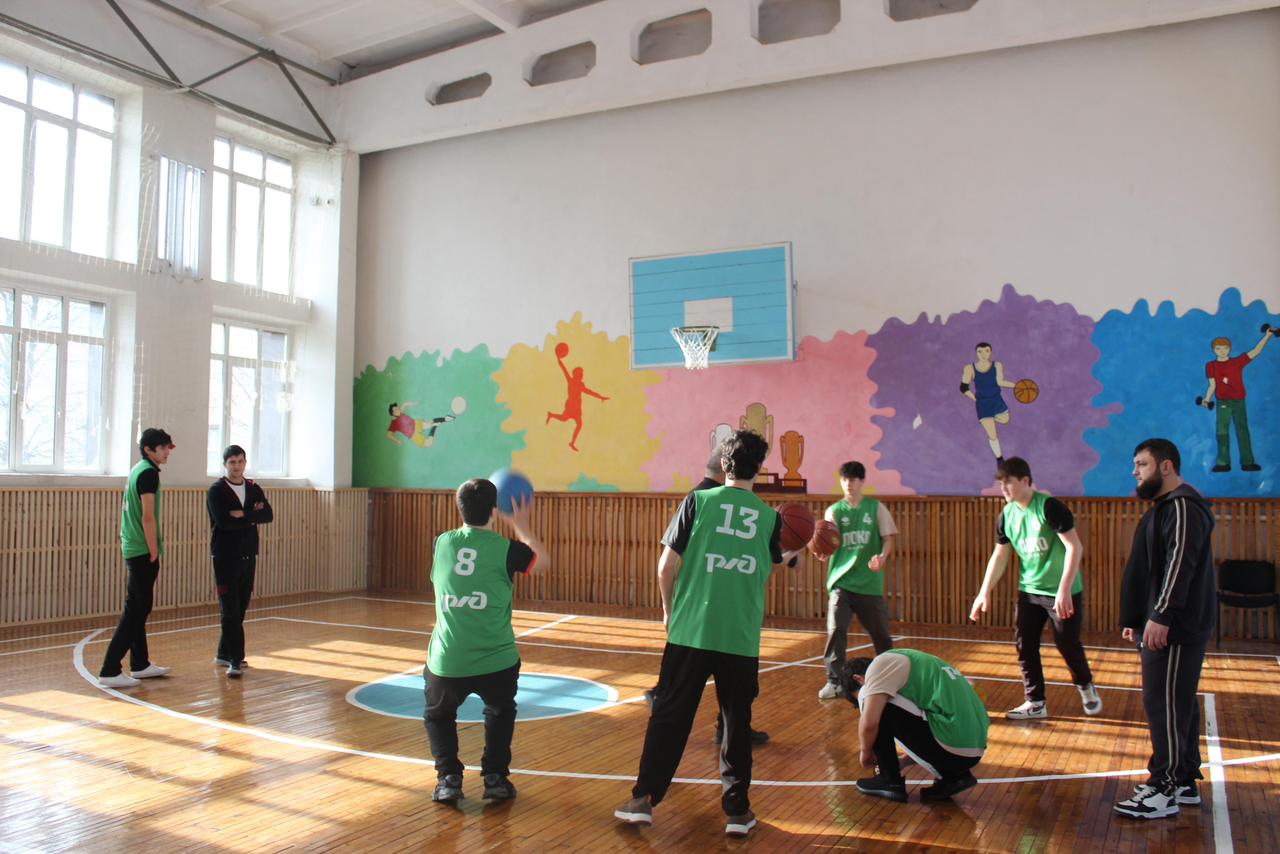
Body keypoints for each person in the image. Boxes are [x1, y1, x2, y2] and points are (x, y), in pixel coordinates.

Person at [615, 430, 799, 838]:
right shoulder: (770, 518)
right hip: (740, 636)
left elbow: (665, 567)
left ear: (725, 465)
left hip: (691, 630)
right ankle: (738, 813)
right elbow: (775, 561)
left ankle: (643, 800)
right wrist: (800, 548)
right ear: (760, 468)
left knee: (669, 717)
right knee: (736, 725)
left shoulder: (697, 501)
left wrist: (669, 609)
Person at [425, 478, 546, 804]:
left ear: (459, 508)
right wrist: (521, 524)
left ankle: (448, 778)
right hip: (497, 659)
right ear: (495, 510)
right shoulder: (509, 550)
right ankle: (495, 777)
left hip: (449, 660)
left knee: (438, 715)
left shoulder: (441, 543)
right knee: (500, 711)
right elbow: (541, 562)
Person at [1113, 438, 1215, 820]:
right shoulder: (1165, 507)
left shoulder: (1184, 506)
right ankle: (1184, 779)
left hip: (1176, 627)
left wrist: (1161, 616)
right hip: (1161, 622)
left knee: (1165, 703)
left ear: (1166, 466)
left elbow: (1179, 564)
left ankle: (1164, 787)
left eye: (1142, 464)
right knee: (1177, 702)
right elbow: (1150, 567)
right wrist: (1137, 617)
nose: (1135, 472)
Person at [642, 449, 771, 745]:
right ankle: (722, 727)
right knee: (719, 684)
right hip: (713, 613)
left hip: (699, 612)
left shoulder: (701, 497)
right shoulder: (706, 500)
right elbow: (667, 565)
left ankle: (673, 708)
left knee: (692, 682)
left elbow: (667, 565)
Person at [969, 457, 1101, 719]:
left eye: (1008, 483)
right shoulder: (1006, 515)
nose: (1003, 489)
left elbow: (1074, 547)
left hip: (1063, 591)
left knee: (1067, 644)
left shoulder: (1049, 507)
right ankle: (1036, 702)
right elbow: (1000, 555)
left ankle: (1086, 686)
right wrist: (984, 592)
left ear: (1026, 481)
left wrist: (1064, 589)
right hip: (1030, 591)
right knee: (1025, 645)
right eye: (1000, 484)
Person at [840, 649, 989, 803]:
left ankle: (889, 780)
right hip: (970, 751)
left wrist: (866, 752)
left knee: (871, 700)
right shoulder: (911, 660)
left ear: (858, 678)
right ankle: (954, 776)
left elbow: (870, 723)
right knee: (885, 700)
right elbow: (923, 725)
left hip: (954, 748)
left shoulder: (879, 668)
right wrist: (903, 761)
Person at [98, 428, 175, 688]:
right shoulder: (148, 473)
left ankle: (140, 663)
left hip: (133, 545)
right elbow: (147, 516)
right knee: (136, 610)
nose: (167, 452)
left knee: (139, 607)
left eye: (167, 447)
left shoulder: (139, 469)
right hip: (141, 549)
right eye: (162, 448)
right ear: (148, 450)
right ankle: (110, 668)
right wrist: (153, 549)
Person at [817, 461, 898, 700]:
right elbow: (828, 541)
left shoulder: (876, 508)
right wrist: (823, 551)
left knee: (881, 634)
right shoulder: (834, 511)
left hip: (868, 583)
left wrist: (882, 557)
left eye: (853, 480)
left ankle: (891, 676)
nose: (848, 484)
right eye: (845, 480)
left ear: (862, 482)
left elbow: (889, 538)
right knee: (836, 630)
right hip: (841, 581)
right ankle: (834, 681)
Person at [207, 444, 274, 679]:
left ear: (245, 463)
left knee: (241, 606)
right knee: (230, 609)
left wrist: (244, 514)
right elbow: (224, 522)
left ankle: (224, 653)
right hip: (225, 556)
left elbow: (267, 515)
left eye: (240, 461)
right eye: (232, 462)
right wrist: (252, 517)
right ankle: (236, 659)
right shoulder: (217, 491)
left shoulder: (254, 488)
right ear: (225, 464)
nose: (236, 466)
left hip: (248, 554)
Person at [1199, 329, 1273, 472]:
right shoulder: (1211, 366)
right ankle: (1223, 463)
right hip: (1223, 403)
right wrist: (1206, 399)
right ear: (1214, 350)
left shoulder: (1237, 362)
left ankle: (1248, 462)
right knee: (1222, 432)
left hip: (1239, 401)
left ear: (1229, 349)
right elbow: (1212, 385)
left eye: (1224, 348)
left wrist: (1268, 335)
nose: (1222, 351)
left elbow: (1256, 351)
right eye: (1218, 348)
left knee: (1242, 430)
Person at [960, 342, 1017, 463]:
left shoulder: (997, 365)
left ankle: (991, 419)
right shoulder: (970, 368)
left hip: (996, 400)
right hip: (983, 405)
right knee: (992, 434)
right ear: (976, 353)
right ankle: (1000, 460)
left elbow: (1000, 382)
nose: (983, 354)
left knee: (1005, 419)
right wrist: (975, 398)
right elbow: (963, 387)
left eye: (986, 351)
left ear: (990, 352)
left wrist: (1016, 386)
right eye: (980, 351)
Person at [545, 349, 608, 451]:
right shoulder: (572, 381)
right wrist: (559, 359)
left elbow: (589, 392)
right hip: (571, 405)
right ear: (577, 375)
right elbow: (564, 369)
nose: (582, 375)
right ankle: (552, 416)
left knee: (577, 423)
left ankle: (571, 442)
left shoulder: (579, 384)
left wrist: (601, 397)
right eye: (581, 374)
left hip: (576, 406)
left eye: (582, 374)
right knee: (567, 420)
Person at [386, 401, 454, 448]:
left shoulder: (400, 411)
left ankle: (444, 419)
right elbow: (388, 435)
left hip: (416, 424)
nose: (398, 410)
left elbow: (404, 404)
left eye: (397, 408)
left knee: (429, 424)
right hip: (413, 435)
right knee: (429, 444)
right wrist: (397, 441)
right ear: (393, 413)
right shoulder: (394, 423)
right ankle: (435, 426)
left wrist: (414, 404)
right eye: (396, 409)